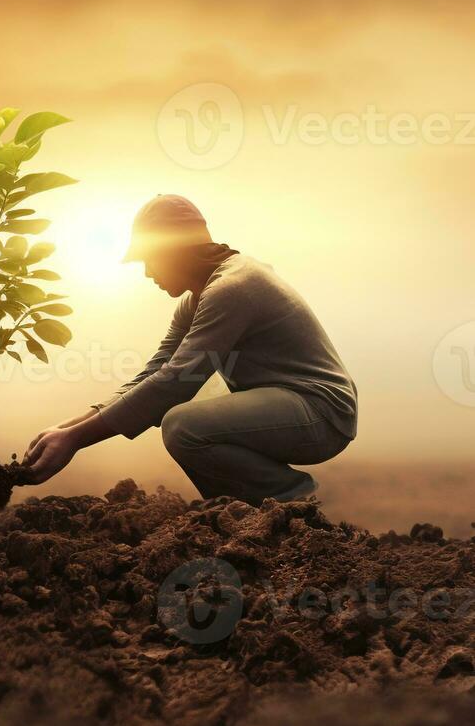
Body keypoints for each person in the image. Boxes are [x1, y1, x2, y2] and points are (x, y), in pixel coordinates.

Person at [23, 196, 358, 504]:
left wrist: (77, 440)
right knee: (182, 412)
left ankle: (289, 503)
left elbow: (177, 381)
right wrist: (65, 430)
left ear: (176, 251)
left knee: (183, 424)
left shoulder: (232, 288)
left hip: (321, 414)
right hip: (296, 409)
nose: (147, 273)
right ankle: (243, 512)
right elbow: (153, 374)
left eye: (149, 259)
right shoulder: (199, 298)